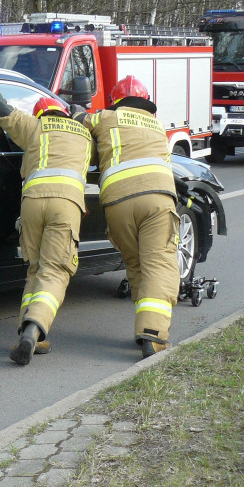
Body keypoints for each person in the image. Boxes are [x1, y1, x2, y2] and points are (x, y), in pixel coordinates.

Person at [0, 60, 92, 365]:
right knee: (56, 272)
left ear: (40, 113)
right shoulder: (83, 134)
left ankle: (29, 331)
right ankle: (34, 330)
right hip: (66, 206)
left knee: (35, 270)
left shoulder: (33, 126)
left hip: (33, 204)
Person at [74, 75, 179, 359]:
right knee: (159, 264)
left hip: (117, 204)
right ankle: (153, 335)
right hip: (156, 201)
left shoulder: (104, 118)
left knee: (135, 264)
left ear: (116, 101)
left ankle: (144, 328)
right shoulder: (158, 126)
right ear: (145, 102)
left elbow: (78, 119)